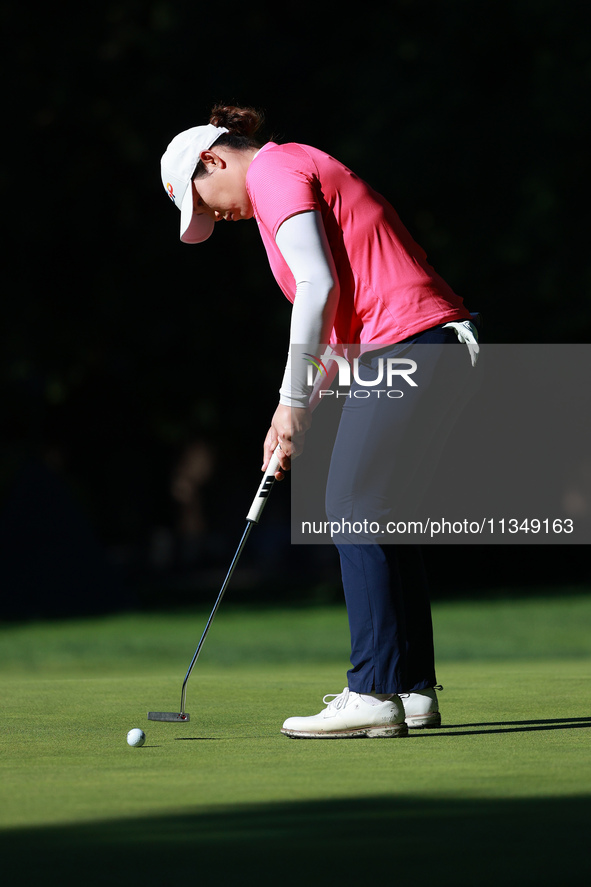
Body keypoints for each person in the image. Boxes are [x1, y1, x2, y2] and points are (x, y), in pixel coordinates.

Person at [160, 105, 479, 739]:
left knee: (354, 502)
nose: (212, 219)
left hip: (413, 343)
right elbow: (338, 327)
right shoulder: (287, 178)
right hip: (425, 345)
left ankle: (372, 692)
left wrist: (292, 398)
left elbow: (317, 286)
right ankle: (410, 688)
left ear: (214, 161)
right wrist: (291, 416)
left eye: (203, 203)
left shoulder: (276, 168)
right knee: (380, 512)